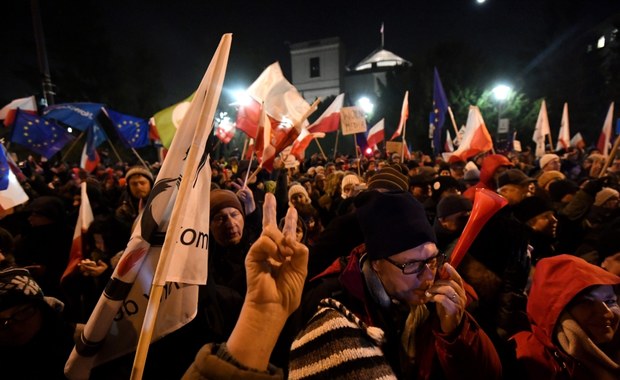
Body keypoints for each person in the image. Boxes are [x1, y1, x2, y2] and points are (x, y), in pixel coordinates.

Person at [290, 191, 502, 378]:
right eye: (412, 264)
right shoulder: (330, 302)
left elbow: (488, 373)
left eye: (432, 259)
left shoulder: (444, 299)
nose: (429, 275)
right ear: (378, 264)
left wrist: (456, 333)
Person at [183, 193, 308, 379]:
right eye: (220, 218)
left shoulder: (267, 254)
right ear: (208, 225)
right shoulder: (200, 268)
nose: (230, 223)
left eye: (234, 214)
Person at [510, 255, 620, 379]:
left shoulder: (613, 353)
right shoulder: (527, 360)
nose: (608, 313)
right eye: (588, 302)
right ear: (559, 312)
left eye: (610, 301)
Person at [0, 267, 77, 379]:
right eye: (1, 322)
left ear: (43, 309)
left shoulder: (86, 343)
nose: (14, 327)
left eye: (22, 312)